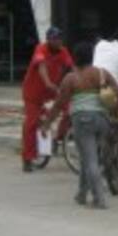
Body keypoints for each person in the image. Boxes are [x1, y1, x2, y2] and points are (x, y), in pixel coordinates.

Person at [43, 41, 118, 209]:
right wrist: (117, 117)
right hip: (102, 120)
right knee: (88, 159)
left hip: (82, 121)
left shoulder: (71, 78)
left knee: (90, 159)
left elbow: (58, 104)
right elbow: (117, 92)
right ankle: (81, 194)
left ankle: (99, 199)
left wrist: (47, 124)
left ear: (75, 58)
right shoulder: (102, 73)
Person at [21, 28, 75, 172]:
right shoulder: (41, 49)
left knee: (70, 109)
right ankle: (27, 158)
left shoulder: (63, 51)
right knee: (31, 123)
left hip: (52, 91)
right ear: (49, 40)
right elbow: (41, 66)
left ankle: (59, 137)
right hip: (33, 92)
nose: (59, 41)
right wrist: (47, 82)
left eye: (60, 38)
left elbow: (72, 68)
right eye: (55, 39)